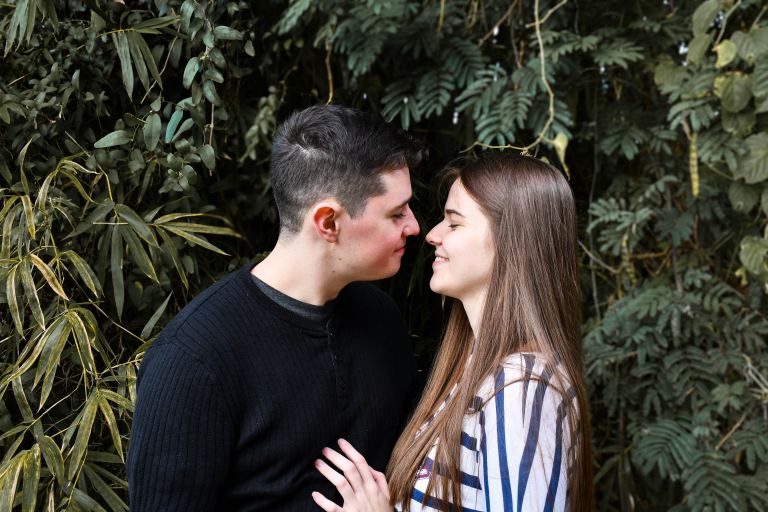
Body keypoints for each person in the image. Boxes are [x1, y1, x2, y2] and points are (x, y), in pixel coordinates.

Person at [127, 105, 425, 511]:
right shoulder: (193, 360)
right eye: (396, 213)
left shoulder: (381, 319)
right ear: (328, 223)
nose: (415, 226)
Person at [312, 154, 594, 511]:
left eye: (454, 224)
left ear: (510, 241)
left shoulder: (521, 389)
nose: (431, 235)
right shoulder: (477, 371)